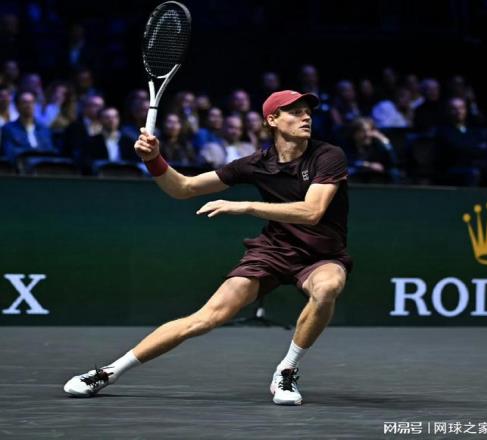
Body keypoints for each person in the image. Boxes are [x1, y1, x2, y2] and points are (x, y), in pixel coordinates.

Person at [63, 90, 353, 406]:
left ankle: (287, 370)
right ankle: (109, 372)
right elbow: (184, 188)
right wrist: (153, 159)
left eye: (307, 112)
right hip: (273, 251)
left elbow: (312, 212)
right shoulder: (255, 163)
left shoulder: (328, 156)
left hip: (322, 254)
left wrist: (245, 206)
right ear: (272, 120)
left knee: (327, 288)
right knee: (206, 318)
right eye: (295, 112)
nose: (306, 117)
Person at [1, 91, 55, 163]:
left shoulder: (44, 129)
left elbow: (50, 151)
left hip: (44, 166)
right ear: (17, 106)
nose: (29, 105)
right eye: (25, 102)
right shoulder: (9, 129)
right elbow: (11, 153)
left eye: (32, 102)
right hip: (22, 166)